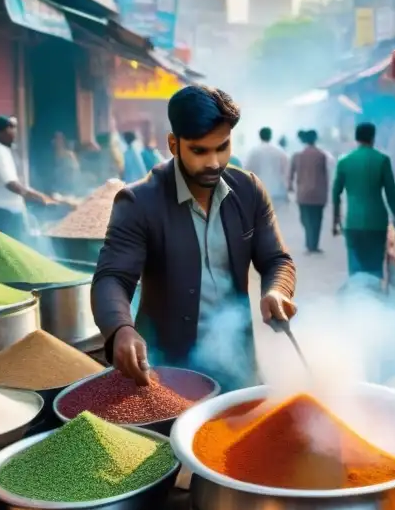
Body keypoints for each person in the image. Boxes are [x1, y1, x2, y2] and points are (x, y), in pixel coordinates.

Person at [92, 84, 297, 393]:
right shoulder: (138, 201)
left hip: (235, 362)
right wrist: (120, 328)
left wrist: (277, 291)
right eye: (200, 151)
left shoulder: (249, 190)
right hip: (164, 369)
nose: (214, 162)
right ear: (174, 144)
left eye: (222, 147)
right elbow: (112, 277)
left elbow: (276, 260)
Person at [332, 122, 395, 279]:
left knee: (355, 268)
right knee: (375, 267)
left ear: (356, 138)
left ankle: (357, 299)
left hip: (353, 222)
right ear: (373, 137)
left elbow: (336, 193)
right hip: (377, 222)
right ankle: (374, 299)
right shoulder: (382, 160)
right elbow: (391, 193)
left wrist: (335, 221)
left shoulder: (344, 161)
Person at [0, 116, 51, 241]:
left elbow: (18, 181)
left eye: (15, 128)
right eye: (10, 128)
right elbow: (11, 183)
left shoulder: (3, 148)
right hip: (0, 211)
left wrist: (43, 196)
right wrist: (38, 197)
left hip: (10, 211)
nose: (14, 132)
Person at [289, 129, 329, 254]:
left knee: (305, 219)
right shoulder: (321, 155)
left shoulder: (297, 155)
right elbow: (325, 175)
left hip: (303, 193)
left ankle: (309, 243)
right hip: (319, 194)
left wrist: (290, 186)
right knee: (317, 219)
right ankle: (314, 245)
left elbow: (291, 174)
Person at [244, 127, 289, 208]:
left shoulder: (253, 152)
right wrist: (286, 191)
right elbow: (286, 172)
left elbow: (247, 172)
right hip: (277, 192)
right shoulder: (280, 151)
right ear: (271, 136)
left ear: (259, 136)